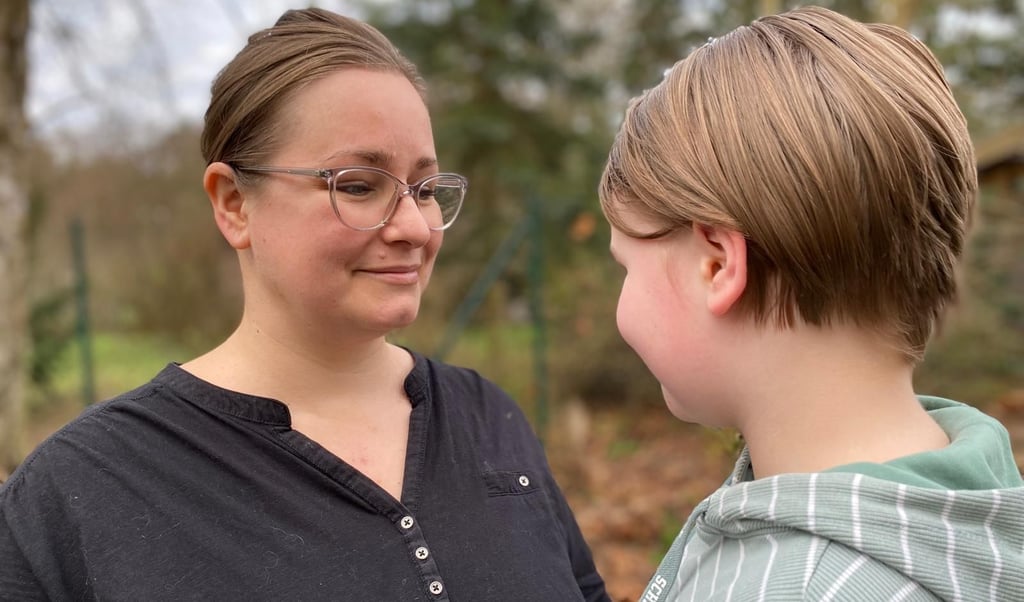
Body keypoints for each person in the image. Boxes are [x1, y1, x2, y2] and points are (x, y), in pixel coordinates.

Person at [0, 8, 608, 601]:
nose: (416, 229)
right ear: (234, 203)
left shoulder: (487, 418)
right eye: (360, 186)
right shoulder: (81, 492)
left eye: (424, 189)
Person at [599, 6, 1023, 601]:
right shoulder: (974, 500)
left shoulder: (798, 588)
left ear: (717, 264)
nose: (622, 306)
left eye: (627, 266)